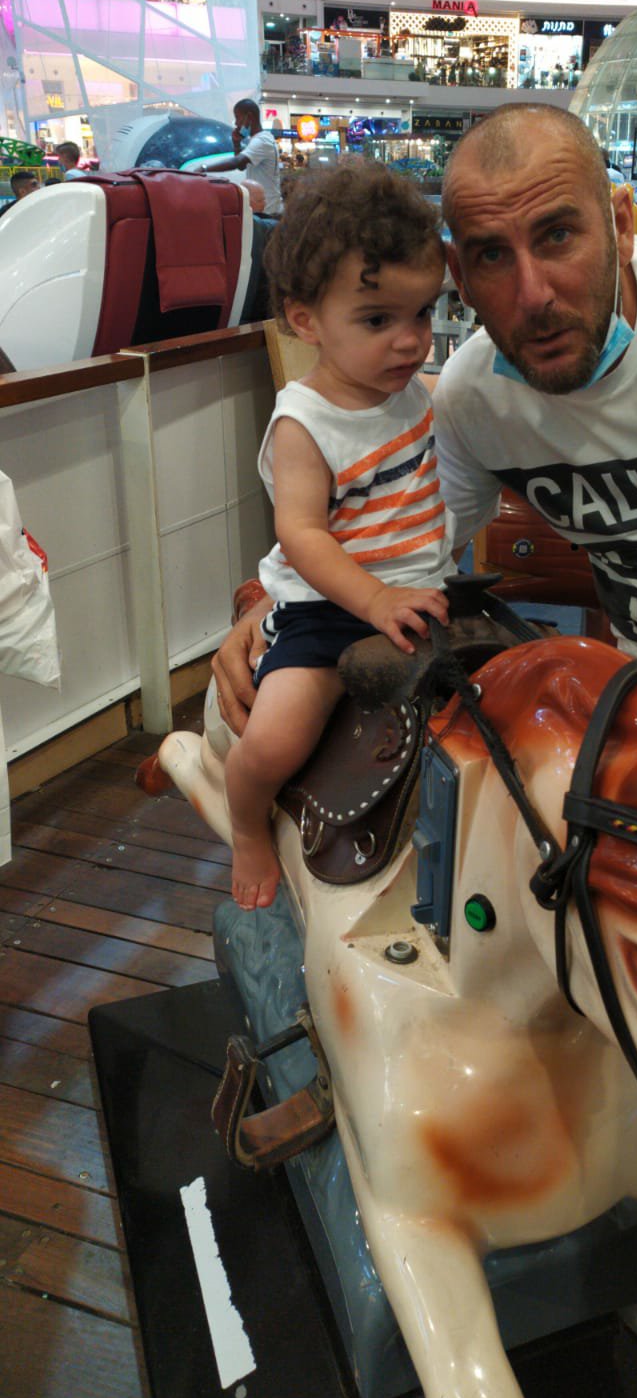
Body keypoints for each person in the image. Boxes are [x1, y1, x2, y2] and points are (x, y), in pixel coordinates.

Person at [212, 109, 637, 1266]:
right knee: (627, 965)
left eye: (560, 236)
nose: (531, 292)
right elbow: (389, 545)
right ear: (459, 271)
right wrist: (259, 612)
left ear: (621, 222)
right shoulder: (472, 399)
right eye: (491, 256)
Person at [223, 160, 452, 908]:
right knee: (277, 738)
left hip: (424, 595)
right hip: (330, 614)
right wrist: (375, 599)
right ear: (305, 320)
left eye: (422, 314)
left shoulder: (409, 392)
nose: (411, 342)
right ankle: (248, 823)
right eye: (378, 320)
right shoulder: (305, 421)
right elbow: (303, 535)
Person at [198, 99, 283, 217]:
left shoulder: (262, 141)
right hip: (264, 208)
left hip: (267, 210)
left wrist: (204, 168)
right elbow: (242, 166)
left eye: (238, 118)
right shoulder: (258, 139)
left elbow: (237, 162)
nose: (236, 124)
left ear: (249, 117)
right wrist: (236, 144)